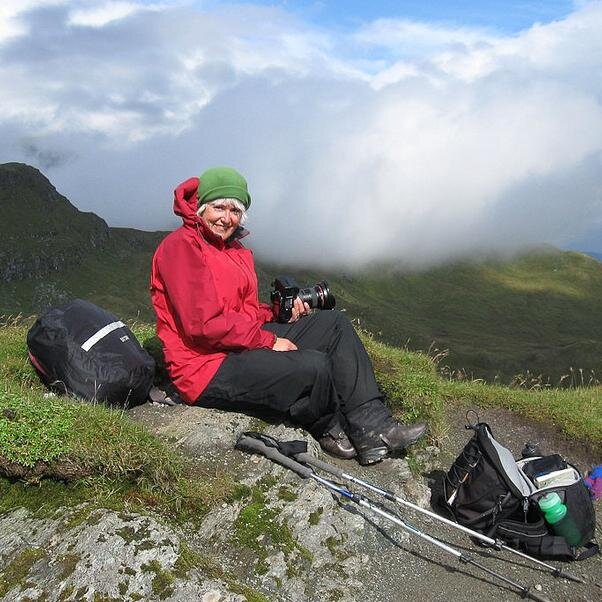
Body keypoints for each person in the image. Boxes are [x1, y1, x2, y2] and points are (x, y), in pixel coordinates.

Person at [150, 167, 427, 465]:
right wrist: (268, 341)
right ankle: (327, 426)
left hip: (234, 344)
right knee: (313, 365)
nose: (226, 218)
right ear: (201, 207)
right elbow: (203, 326)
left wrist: (277, 315)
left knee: (334, 325)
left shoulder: (234, 250)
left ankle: (373, 426)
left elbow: (241, 312)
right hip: (203, 366)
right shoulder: (181, 248)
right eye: (219, 207)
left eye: (235, 210)